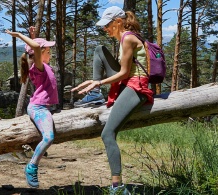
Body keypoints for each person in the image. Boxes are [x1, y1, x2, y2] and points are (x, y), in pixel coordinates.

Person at [71, 6, 154, 195]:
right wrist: (96, 82)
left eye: (107, 25)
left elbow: (125, 73)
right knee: (100, 49)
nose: (104, 29)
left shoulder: (128, 38)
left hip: (136, 87)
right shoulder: (125, 37)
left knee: (107, 133)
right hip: (129, 82)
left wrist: (97, 81)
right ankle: (96, 94)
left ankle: (118, 188)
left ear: (118, 22)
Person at [5, 27, 57, 188]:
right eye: (47, 51)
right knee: (48, 137)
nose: (50, 54)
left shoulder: (41, 64)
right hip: (38, 108)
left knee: (49, 137)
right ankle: (32, 166)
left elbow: (33, 49)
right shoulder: (38, 67)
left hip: (44, 107)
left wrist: (33, 37)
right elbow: (34, 49)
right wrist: (19, 35)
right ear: (39, 55)